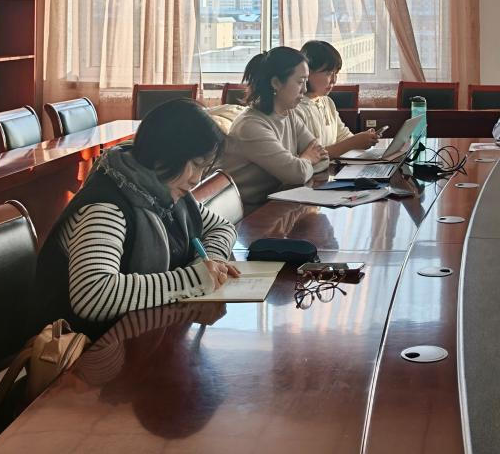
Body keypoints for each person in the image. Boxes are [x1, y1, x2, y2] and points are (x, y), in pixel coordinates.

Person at [33, 99, 239, 337]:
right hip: (87, 348)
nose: (196, 179)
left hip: (138, 334)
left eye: (204, 168)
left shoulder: (165, 191)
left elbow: (221, 227)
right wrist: (193, 279)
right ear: (164, 154)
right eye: (195, 164)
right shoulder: (106, 208)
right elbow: (93, 295)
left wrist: (210, 261)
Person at [222, 46, 328, 206]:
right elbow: (296, 174)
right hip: (249, 213)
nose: (305, 89)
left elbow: (323, 158)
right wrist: (307, 159)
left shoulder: (289, 114)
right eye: (300, 82)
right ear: (276, 83)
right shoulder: (250, 126)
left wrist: (302, 164)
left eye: (306, 82)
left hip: (277, 202)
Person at [294, 40, 380, 158]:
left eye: (336, 73)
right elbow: (308, 156)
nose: (334, 80)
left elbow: (343, 137)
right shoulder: (296, 108)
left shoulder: (327, 102)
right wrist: (353, 142)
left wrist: (363, 139)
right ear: (307, 72)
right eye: (328, 73)